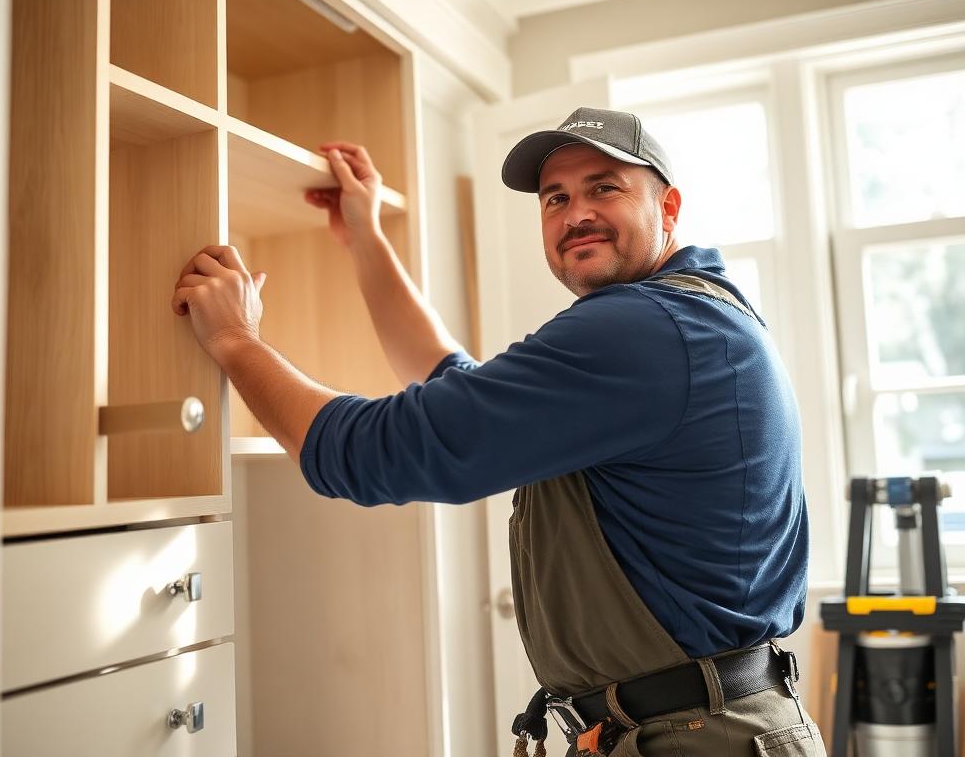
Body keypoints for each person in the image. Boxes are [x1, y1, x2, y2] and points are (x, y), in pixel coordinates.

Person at [172, 107, 825, 756]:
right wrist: (366, 238)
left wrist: (233, 339)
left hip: (699, 739)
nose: (575, 214)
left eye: (604, 187)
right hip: (697, 726)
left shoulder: (643, 330)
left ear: (670, 206)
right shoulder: (692, 320)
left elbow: (375, 453)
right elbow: (454, 383)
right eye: (555, 198)